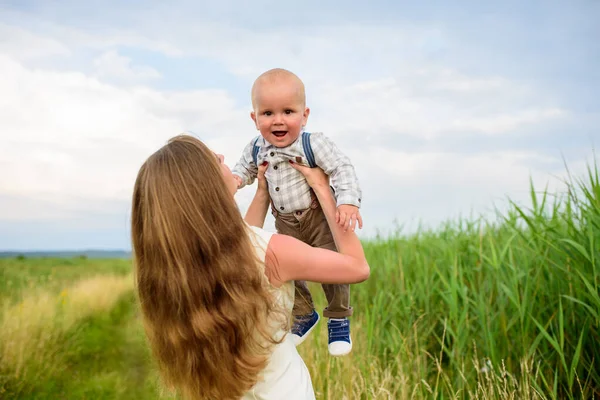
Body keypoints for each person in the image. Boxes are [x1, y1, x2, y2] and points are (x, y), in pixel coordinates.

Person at [131, 134, 370, 400]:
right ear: (205, 184)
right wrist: (324, 189)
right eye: (213, 158)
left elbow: (241, 237)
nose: (222, 157)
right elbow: (357, 267)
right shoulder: (272, 252)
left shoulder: (183, 269)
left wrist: (262, 192)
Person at [232, 68, 363, 356]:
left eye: (288, 111)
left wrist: (348, 201)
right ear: (255, 119)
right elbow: (244, 170)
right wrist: (234, 181)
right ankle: (304, 313)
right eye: (267, 113)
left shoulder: (312, 144)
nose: (278, 120)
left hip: (317, 218)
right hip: (286, 222)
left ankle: (339, 316)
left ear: (304, 116)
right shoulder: (256, 148)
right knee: (286, 270)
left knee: (333, 267)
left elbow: (342, 167)